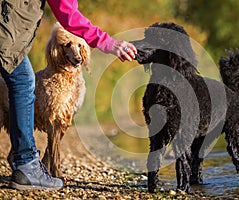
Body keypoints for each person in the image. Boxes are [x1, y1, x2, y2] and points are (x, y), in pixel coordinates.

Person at [0, 0, 137, 190]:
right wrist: (109, 43)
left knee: (22, 79)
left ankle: (27, 163)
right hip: (6, 28)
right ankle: (26, 164)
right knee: (23, 82)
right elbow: (69, 15)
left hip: (8, 26)